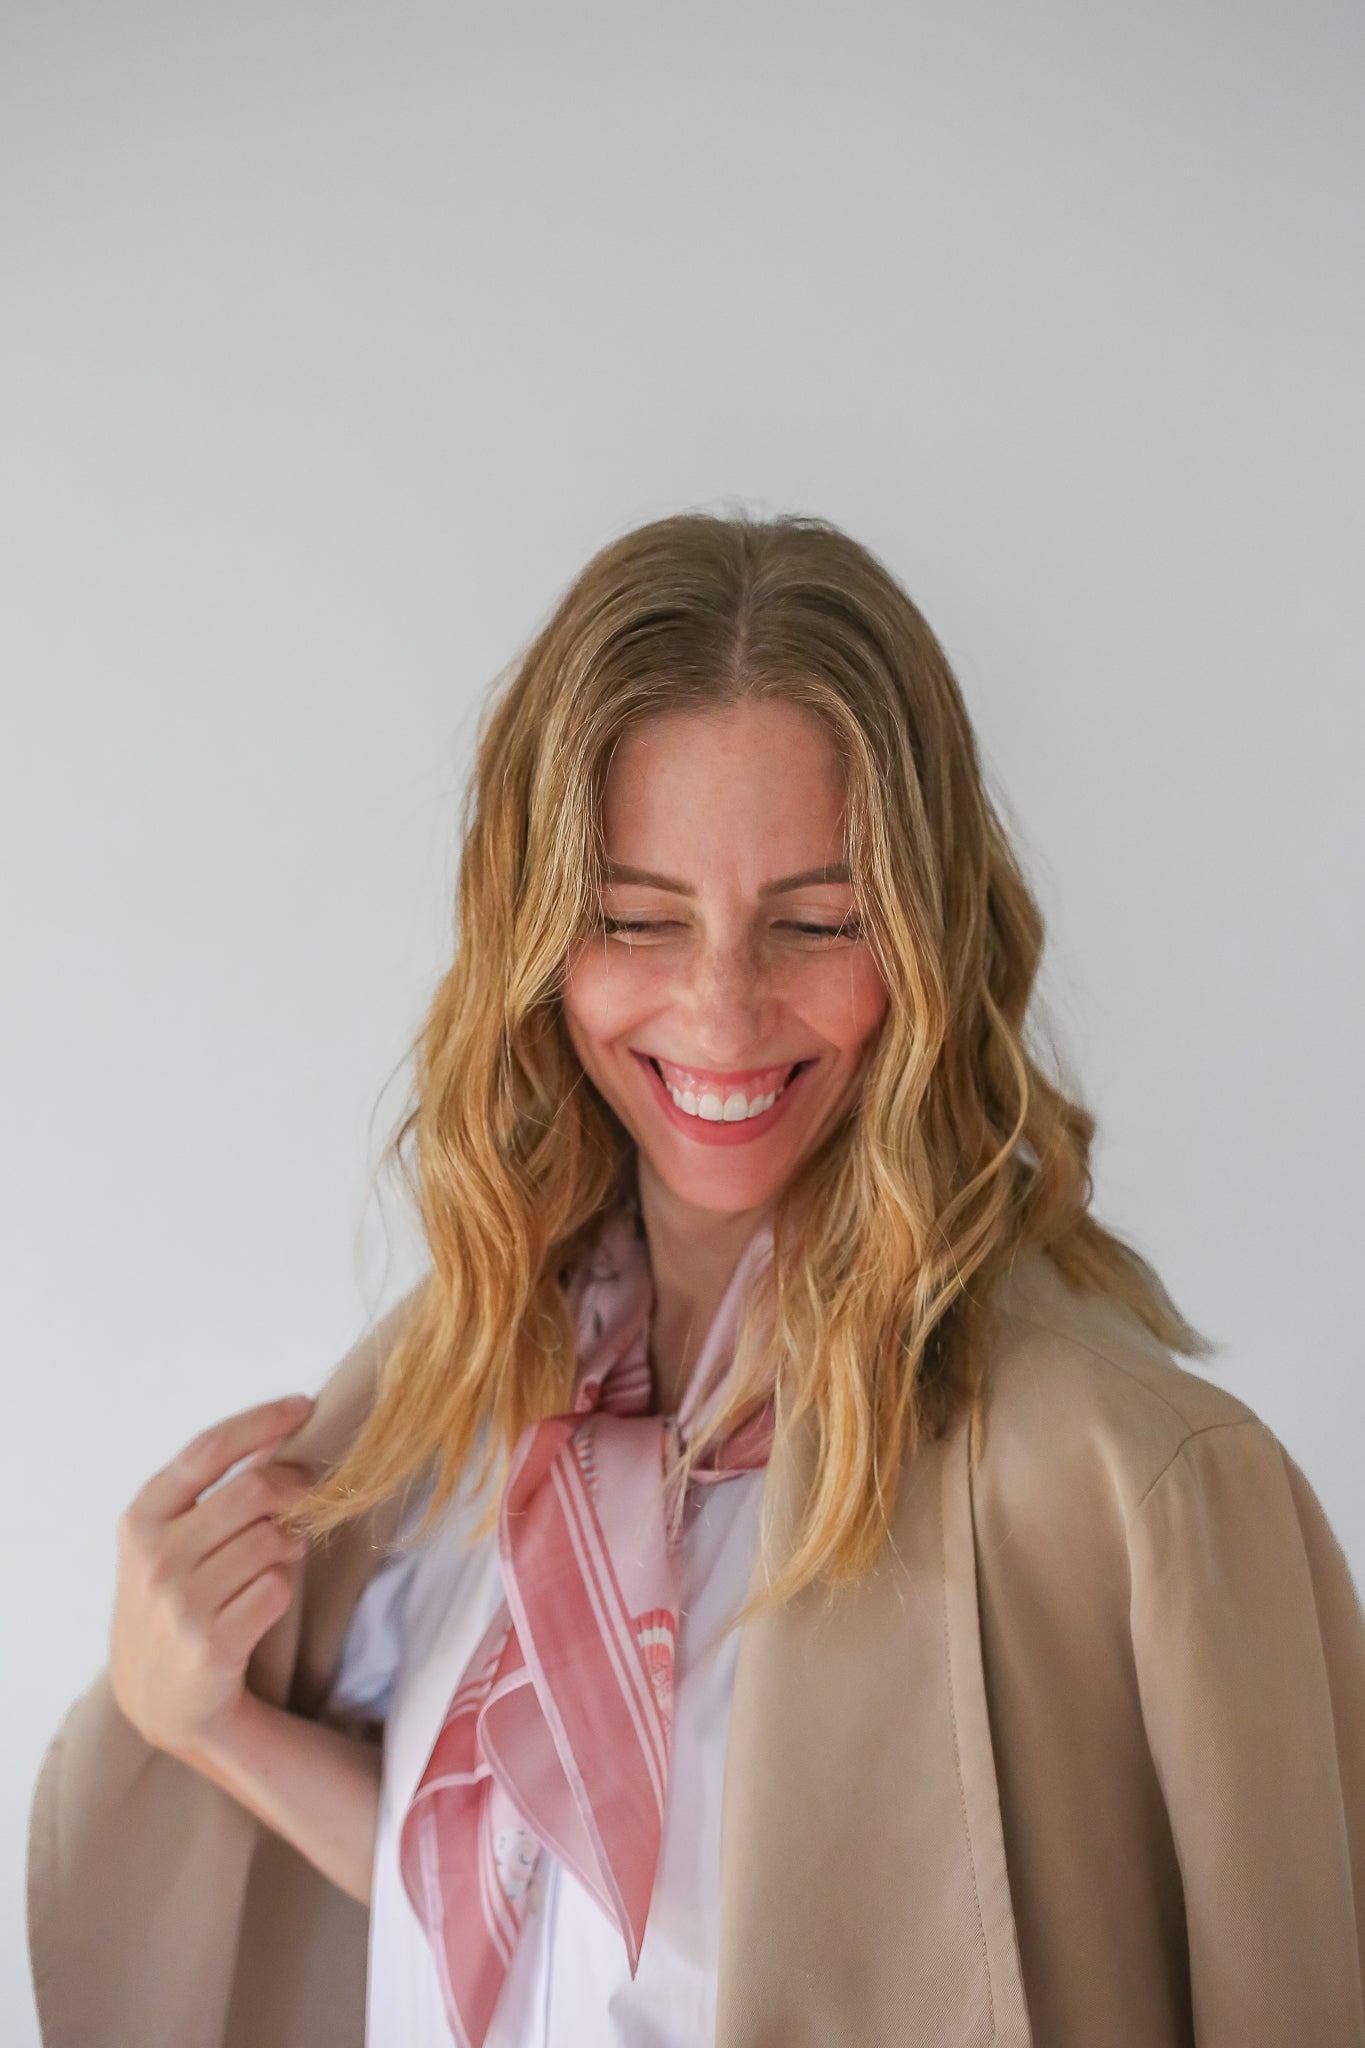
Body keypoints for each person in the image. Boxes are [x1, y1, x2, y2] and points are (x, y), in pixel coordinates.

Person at [27, 512, 1365, 2048]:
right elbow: (539, 1932)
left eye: (815, 921)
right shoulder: (451, 1412)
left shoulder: (1130, 1496)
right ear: (533, 938)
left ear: (928, 941)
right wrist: (204, 1727)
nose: (721, 1011)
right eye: (635, 918)